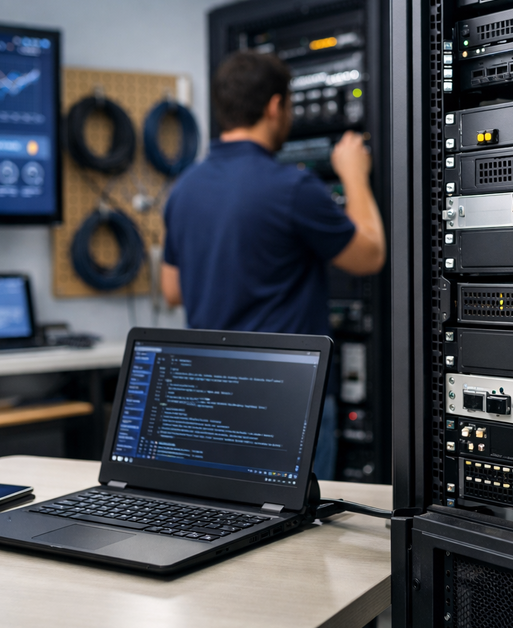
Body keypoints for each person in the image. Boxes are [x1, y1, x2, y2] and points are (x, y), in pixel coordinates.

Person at [161, 51, 386, 480]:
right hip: (287, 398)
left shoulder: (183, 190)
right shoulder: (292, 187)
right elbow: (369, 255)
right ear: (274, 106)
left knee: (229, 520)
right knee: (297, 525)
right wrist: (354, 175)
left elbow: (173, 291)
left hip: (211, 396)